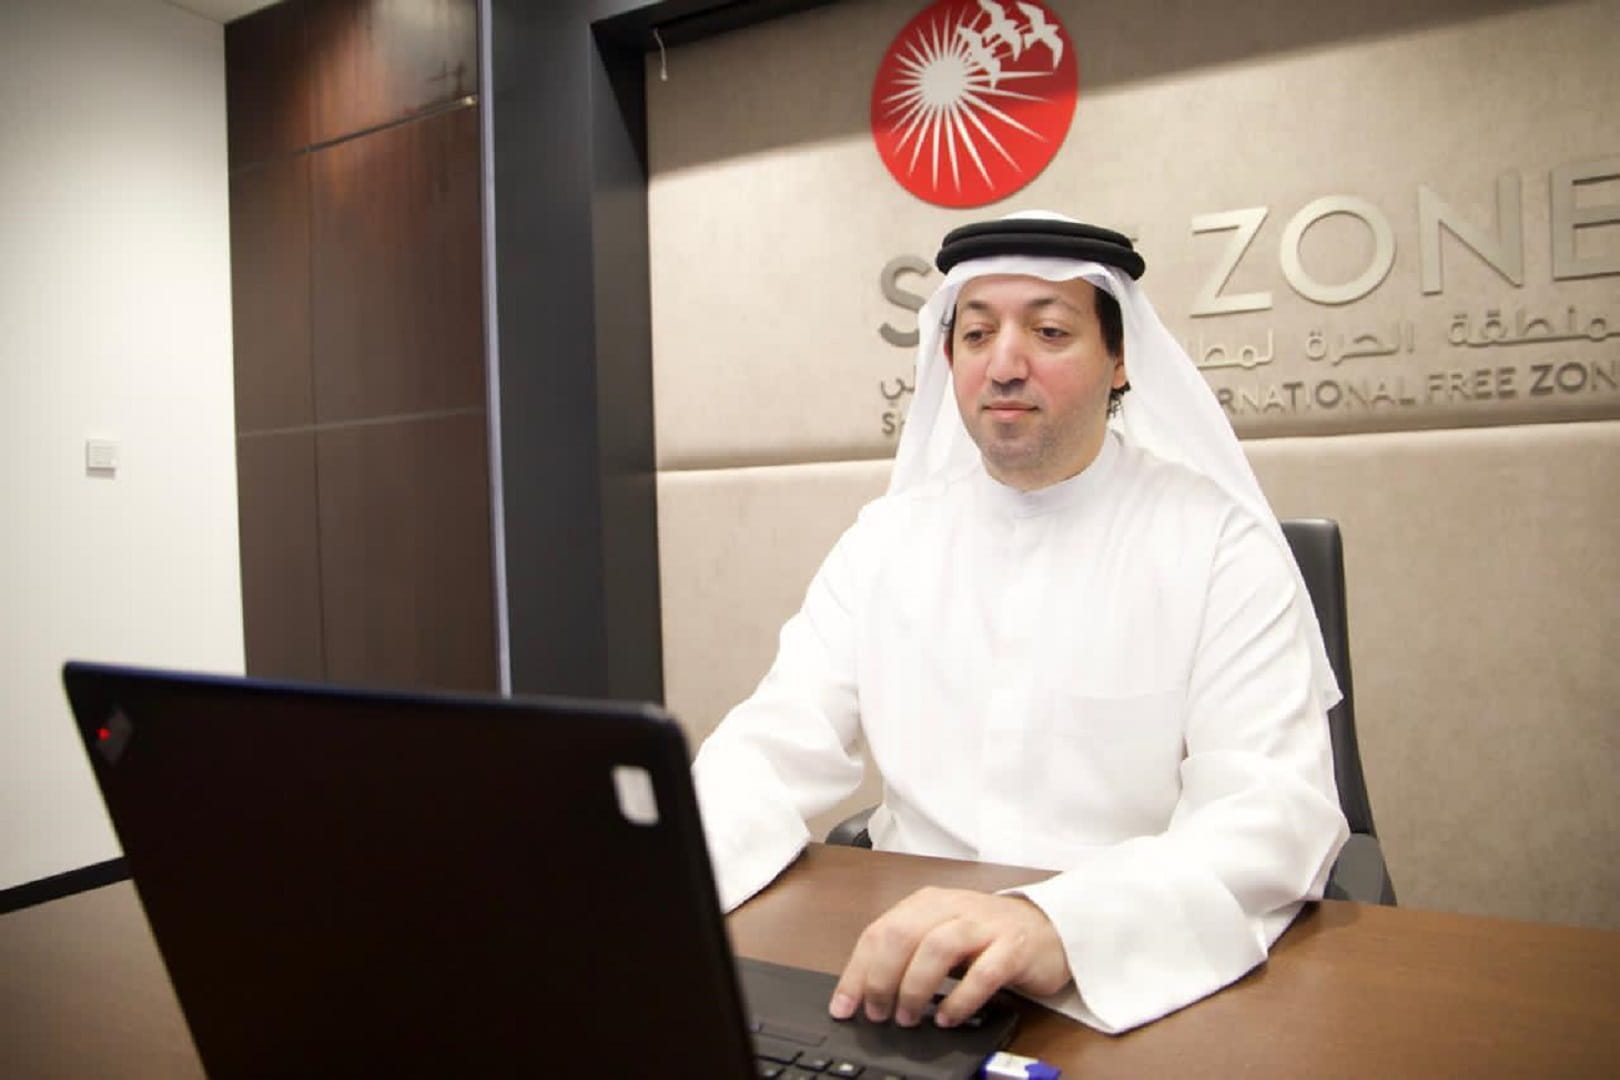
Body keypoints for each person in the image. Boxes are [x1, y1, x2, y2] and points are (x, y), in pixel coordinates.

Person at [690, 211, 1348, 1034]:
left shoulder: (1218, 544)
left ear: (1120, 361)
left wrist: (1058, 923)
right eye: (976, 334)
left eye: (1049, 331)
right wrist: (650, 880)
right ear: (949, 360)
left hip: (1123, 970)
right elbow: (771, 747)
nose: (1004, 364)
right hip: (901, 968)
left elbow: (1272, 811)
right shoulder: (885, 540)